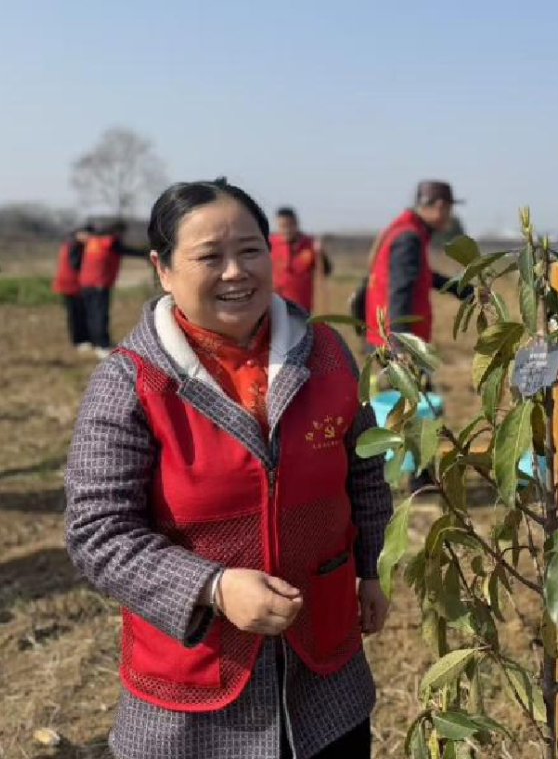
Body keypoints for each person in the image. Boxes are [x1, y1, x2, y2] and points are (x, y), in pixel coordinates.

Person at [65, 178, 393, 759]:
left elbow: (362, 469)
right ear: (163, 269)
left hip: (326, 668)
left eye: (249, 251)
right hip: (194, 689)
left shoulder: (326, 354)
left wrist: (373, 566)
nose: (236, 272)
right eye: (209, 257)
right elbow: (98, 532)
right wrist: (212, 587)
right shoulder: (132, 382)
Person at [364, 180, 470, 347]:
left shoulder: (405, 229)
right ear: (439, 207)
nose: (449, 216)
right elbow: (400, 291)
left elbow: (422, 274)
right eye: (449, 209)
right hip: (395, 345)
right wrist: (401, 347)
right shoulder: (408, 238)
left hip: (386, 339)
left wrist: (465, 290)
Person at [78, 220, 148, 358]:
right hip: (99, 283)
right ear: (118, 232)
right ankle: (102, 345)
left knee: (92, 314)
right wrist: (146, 253)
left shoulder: (93, 241)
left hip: (86, 283)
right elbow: (127, 251)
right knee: (100, 315)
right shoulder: (111, 242)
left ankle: (96, 340)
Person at [270, 206, 332, 313]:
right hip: (276, 305)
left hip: (302, 307)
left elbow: (326, 271)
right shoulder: (270, 244)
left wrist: (321, 254)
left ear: (296, 224)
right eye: (282, 226)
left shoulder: (310, 244)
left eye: (288, 226)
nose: (285, 230)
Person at [52, 224, 93, 351]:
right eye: (87, 235)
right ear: (79, 234)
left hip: (72, 284)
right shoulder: (74, 246)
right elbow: (75, 264)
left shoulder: (71, 243)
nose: (89, 238)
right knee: (76, 314)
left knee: (80, 313)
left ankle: (84, 339)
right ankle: (79, 341)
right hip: (70, 285)